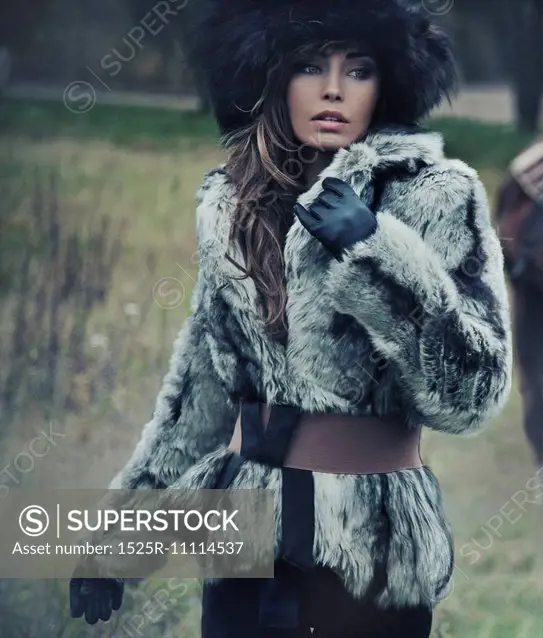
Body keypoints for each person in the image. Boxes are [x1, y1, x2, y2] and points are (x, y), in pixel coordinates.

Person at [67, 0, 513, 636]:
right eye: (310, 66)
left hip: (370, 544)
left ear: (386, 84)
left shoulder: (436, 195)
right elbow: (196, 404)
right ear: (274, 77)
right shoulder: (232, 206)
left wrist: (376, 252)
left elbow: (473, 395)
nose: (332, 89)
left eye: (357, 70)